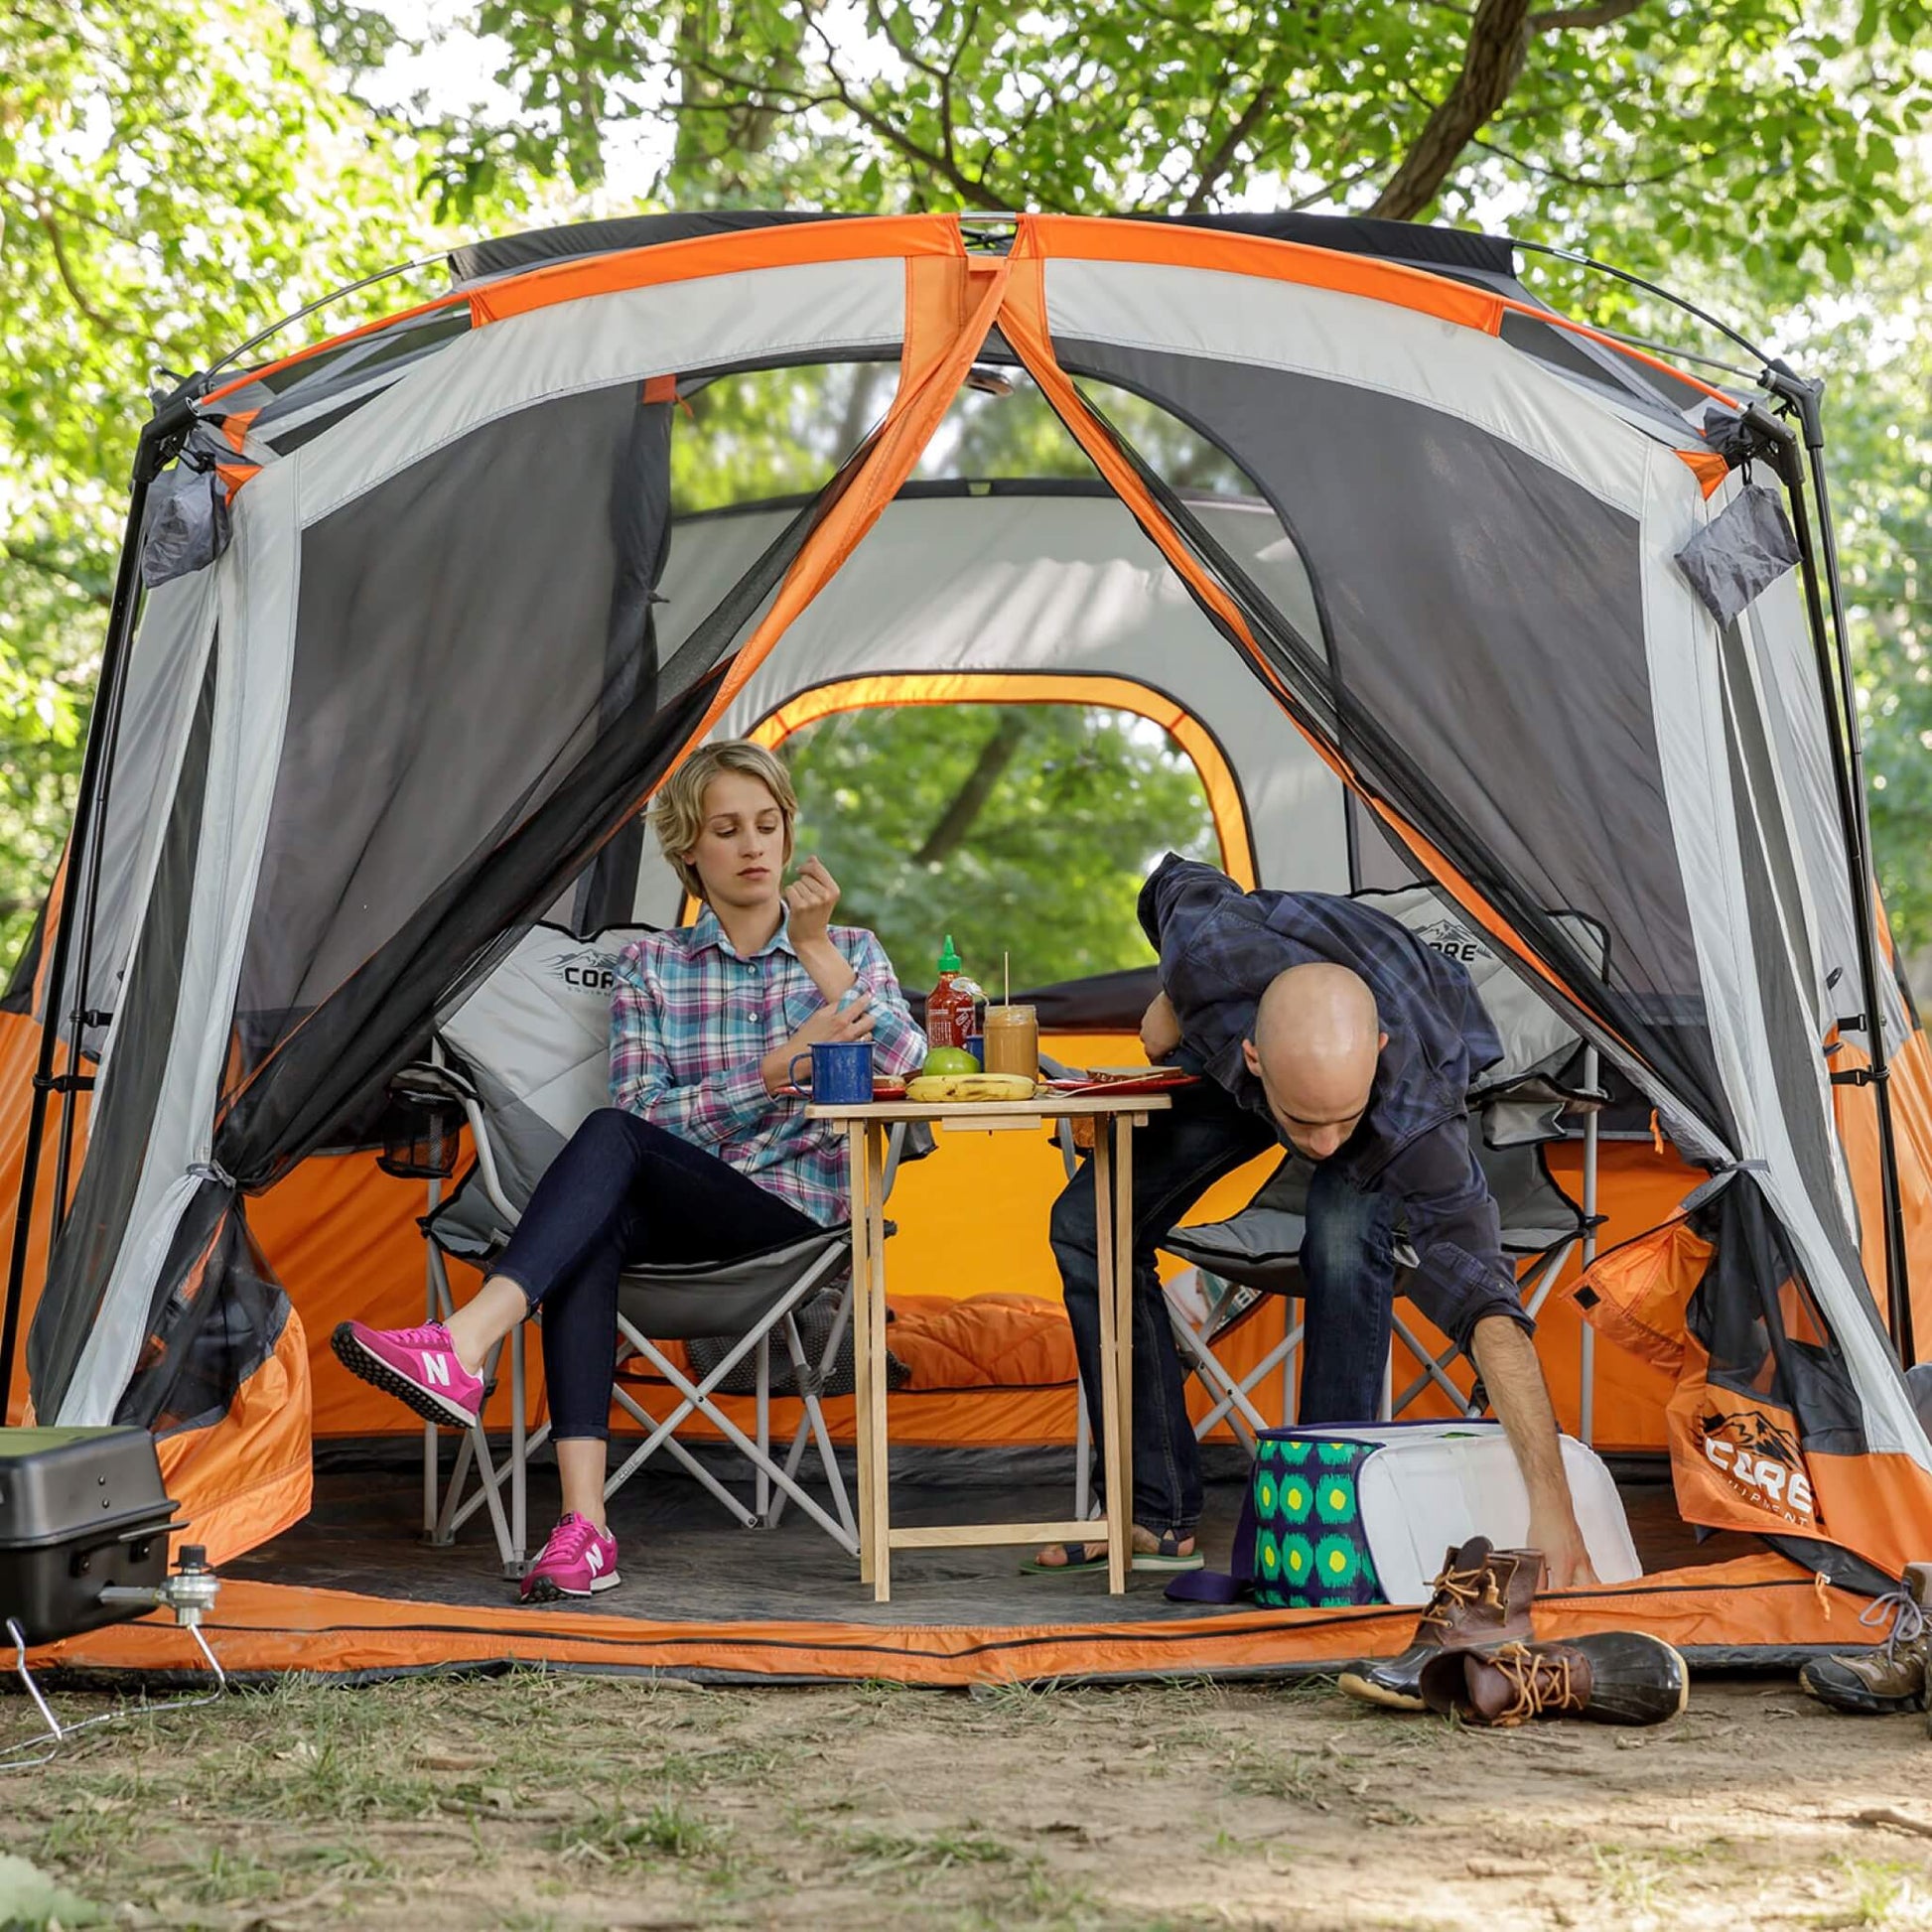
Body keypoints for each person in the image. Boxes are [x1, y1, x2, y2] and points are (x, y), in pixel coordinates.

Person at [334, 741, 926, 1601]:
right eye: (727, 830)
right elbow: (646, 1118)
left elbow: (914, 1072)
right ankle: (586, 1528)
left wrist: (815, 954)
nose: (755, 846)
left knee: (610, 1142)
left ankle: (465, 1342)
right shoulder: (653, 968)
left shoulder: (850, 952)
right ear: (690, 849)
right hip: (675, 1206)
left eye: (769, 826)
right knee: (595, 1211)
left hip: (791, 1220)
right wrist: (775, 1073)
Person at [1032, 853, 1598, 1588]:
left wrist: (1551, 1506)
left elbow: (1490, 1306)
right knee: (1090, 1222)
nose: (1324, 1146)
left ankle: (1335, 1514)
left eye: (1340, 1121)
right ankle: (1152, 1512)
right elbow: (1172, 879)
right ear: (1254, 1058)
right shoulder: (1211, 952)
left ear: (1378, 1057)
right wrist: (1172, 996)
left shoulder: (1411, 1114)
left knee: (1339, 1224)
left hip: (1399, 1050)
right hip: (1252, 1037)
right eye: (1305, 1123)